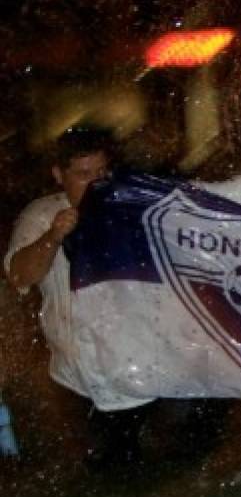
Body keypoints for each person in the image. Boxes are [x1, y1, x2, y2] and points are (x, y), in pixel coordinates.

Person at [5, 128, 156, 463]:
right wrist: (54, 236)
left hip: (146, 366)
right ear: (59, 176)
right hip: (80, 376)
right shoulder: (41, 215)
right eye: (83, 175)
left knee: (157, 466)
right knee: (98, 469)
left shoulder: (132, 205)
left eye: (102, 172)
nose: (95, 183)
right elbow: (20, 275)